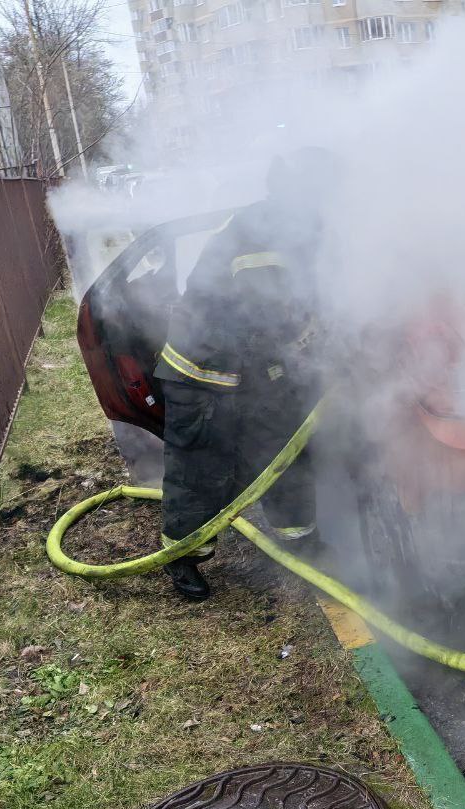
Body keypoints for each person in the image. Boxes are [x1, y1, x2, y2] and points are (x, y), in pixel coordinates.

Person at [156, 150, 335, 600]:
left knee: (285, 452)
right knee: (202, 469)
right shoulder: (262, 235)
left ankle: (299, 539)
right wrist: (316, 352)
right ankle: (183, 558)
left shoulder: (295, 227)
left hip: (256, 370)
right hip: (203, 373)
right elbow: (269, 320)